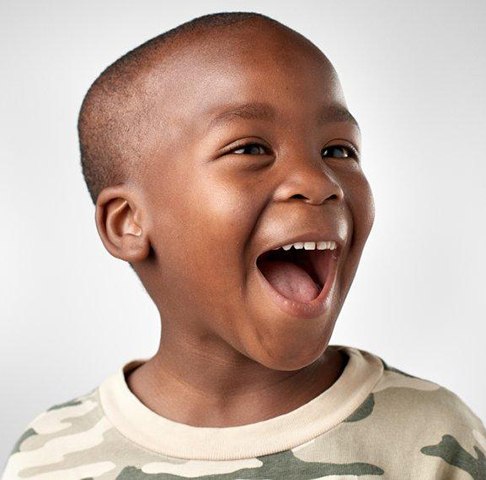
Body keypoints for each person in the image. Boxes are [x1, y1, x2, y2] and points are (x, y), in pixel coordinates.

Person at [2, 11, 485, 480]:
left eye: (339, 150)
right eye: (250, 148)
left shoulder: (439, 440)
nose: (319, 182)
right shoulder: (49, 456)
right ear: (128, 223)